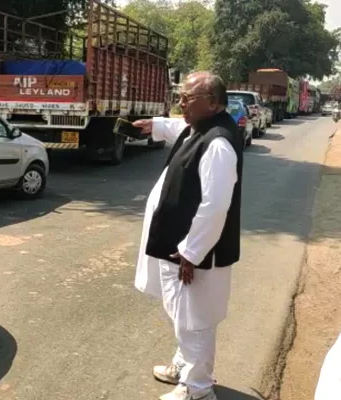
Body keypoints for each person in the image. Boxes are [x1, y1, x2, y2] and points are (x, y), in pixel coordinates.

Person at [132, 71, 244, 400]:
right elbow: (180, 128)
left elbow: (215, 205)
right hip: (179, 246)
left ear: (213, 103)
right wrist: (155, 125)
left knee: (197, 319)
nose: (180, 102)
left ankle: (198, 389)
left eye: (188, 97)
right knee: (182, 313)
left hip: (196, 253)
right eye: (179, 95)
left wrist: (192, 252)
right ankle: (184, 365)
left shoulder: (219, 143)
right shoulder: (201, 126)